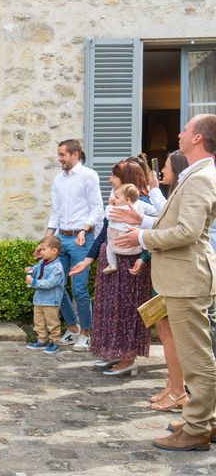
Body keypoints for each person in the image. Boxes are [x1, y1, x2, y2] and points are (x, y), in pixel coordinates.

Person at [114, 114, 216, 451]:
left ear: (198, 138)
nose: (179, 132)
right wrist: (141, 218)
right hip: (183, 277)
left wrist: (142, 237)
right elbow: (175, 219)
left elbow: (187, 231)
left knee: (196, 359)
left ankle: (197, 427)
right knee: (195, 356)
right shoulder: (197, 174)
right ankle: (205, 420)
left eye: (185, 129)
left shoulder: (202, 177)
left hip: (188, 277)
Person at [70, 160, 154, 376]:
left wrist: (144, 257)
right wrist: (88, 260)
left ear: (127, 179)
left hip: (129, 264)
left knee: (126, 310)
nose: (110, 179)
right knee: (112, 310)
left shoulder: (140, 203)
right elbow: (103, 233)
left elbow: (154, 234)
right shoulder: (114, 203)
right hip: (112, 261)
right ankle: (117, 353)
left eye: (114, 175)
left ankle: (128, 360)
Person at [40, 139, 104, 352]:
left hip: (81, 239)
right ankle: (72, 327)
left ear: (75, 154)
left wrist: (85, 229)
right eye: (59, 155)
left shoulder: (89, 176)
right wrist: (47, 240)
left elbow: (97, 209)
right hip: (61, 239)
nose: (59, 159)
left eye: (62, 155)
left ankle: (86, 333)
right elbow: (56, 211)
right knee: (57, 285)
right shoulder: (58, 180)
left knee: (79, 289)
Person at [145, 150, 189, 411]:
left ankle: (179, 390)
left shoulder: (189, 190)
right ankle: (172, 386)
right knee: (163, 326)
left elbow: (169, 224)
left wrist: (140, 230)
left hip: (185, 273)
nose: (161, 170)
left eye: (166, 167)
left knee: (176, 333)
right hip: (170, 270)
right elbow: (162, 217)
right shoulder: (174, 193)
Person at [24, 236, 66, 355]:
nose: (40, 252)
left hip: (51, 301)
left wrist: (34, 282)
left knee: (52, 323)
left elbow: (51, 283)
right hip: (39, 299)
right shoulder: (42, 262)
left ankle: (55, 341)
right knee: (39, 321)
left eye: (43, 249)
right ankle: (42, 339)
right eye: (40, 249)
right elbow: (36, 270)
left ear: (54, 251)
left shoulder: (57, 267)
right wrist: (31, 269)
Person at [103, 183, 151, 275]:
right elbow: (154, 210)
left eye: (117, 197)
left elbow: (108, 216)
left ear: (127, 199)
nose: (114, 199)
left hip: (117, 240)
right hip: (133, 242)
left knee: (109, 247)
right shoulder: (140, 204)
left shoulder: (116, 209)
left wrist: (109, 205)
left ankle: (112, 264)